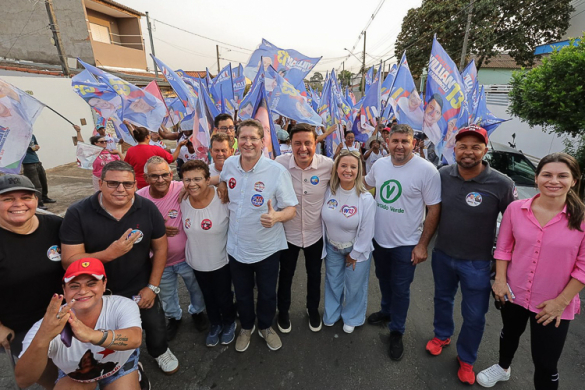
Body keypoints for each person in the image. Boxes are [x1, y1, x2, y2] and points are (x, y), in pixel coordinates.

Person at [476, 152, 585, 389]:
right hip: (513, 292)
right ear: (536, 178)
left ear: (574, 180)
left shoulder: (582, 219)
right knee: (509, 334)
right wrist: (500, 281)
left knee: (546, 363)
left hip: (553, 302)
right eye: (547, 174)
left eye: (562, 176)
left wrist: (561, 302)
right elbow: (503, 249)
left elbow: (583, 267)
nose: (553, 181)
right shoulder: (516, 209)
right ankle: (503, 368)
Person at [60, 160, 179, 375]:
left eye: (127, 184)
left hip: (139, 285)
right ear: (100, 183)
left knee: (154, 324)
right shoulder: (78, 212)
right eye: (113, 183)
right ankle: (123, 362)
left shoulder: (147, 207)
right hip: (97, 292)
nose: (121, 189)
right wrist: (109, 254)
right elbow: (70, 260)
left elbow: (161, 249)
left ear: (135, 184)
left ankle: (160, 351)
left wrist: (153, 287)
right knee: (105, 334)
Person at [425, 125, 516, 385]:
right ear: (454, 149)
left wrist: (502, 263)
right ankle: (442, 335)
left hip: (478, 263)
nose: (468, 151)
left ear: (485, 150)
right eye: (463, 146)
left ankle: (466, 358)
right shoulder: (442, 175)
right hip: (443, 254)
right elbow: (432, 211)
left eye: (475, 146)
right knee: (442, 299)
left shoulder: (502, 183)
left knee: (475, 315)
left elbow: (513, 225)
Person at [218, 119, 298, 352]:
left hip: (266, 249)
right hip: (236, 247)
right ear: (237, 140)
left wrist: (276, 218)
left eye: (254, 138)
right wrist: (222, 184)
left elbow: (291, 208)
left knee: (266, 294)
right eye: (243, 138)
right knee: (242, 294)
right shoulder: (230, 164)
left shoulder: (276, 172)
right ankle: (246, 327)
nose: (248, 143)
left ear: (262, 142)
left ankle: (265, 326)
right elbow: (223, 179)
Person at [364, 124, 441, 361]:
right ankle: (387, 311)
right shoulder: (379, 165)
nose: (399, 146)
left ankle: (397, 330)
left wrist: (422, 245)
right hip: (379, 240)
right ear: (387, 142)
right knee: (383, 280)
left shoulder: (427, 170)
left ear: (413, 143)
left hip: (406, 244)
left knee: (401, 288)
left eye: (404, 141)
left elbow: (434, 209)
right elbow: (365, 188)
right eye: (395, 141)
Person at [15, 258, 143, 389]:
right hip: (76, 376)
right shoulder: (48, 324)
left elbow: (135, 338)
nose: (82, 291)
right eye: (74, 286)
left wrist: (91, 335)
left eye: (91, 283)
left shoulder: (122, 305)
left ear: (104, 284)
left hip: (118, 366)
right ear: (64, 290)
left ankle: (136, 372)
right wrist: (43, 336)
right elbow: (23, 380)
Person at [0, 174, 64, 389]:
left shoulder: (56, 225)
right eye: (7, 199)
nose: (18, 204)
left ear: (36, 200)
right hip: (20, 326)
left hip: (64, 317)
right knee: (50, 376)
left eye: (26, 197)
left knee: (79, 367)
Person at [136, 157, 207, 341]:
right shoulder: (140, 198)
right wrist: (156, 229)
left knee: (196, 289)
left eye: (164, 175)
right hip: (161, 262)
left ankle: (198, 312)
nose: (161, 180)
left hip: (187, 257)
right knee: (167, 294)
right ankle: (174, 318)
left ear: (171, 174)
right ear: (146, 177)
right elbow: (133, 227)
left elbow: (208, 181)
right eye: (154, 176)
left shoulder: (182, 188)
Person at [274, 123, 334, 333]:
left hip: (315, 234)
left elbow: (348, 182)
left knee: (314, 274)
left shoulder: (328, 165)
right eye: (297, 143)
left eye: (308, 143)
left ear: (315, 143)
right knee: (286, 275)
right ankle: (282, 311)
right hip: (287, 234)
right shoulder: (278, 164)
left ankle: (312, 309)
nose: (303, 148)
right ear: (290, 144)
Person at [180, 160, 237, 347]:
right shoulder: (182, 200)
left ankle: (229, 323)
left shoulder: (223, 198)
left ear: (208, 179)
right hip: (197, 262)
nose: (192, 184)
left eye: (197, 179)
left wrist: (221, 182)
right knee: (208, 296)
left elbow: (232, 177)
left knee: (223, 296)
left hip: (221, 261)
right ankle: (215, 324)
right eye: (187, 179)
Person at [322, 150, 375, 333]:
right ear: (336, 168)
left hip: (356, 250)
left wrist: (355, 254)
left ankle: (352, 316)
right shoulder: (328, 191)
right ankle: (332, 313)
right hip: (332, 247)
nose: (348, 170)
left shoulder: (366, 198)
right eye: (343, 165)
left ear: (359, 171)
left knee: (354, 286)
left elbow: (367, 231)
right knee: (332, 282)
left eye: (353, 167)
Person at [22, 128, 81, 209]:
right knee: (36, 184)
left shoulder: (32, 136)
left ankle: (44, 197)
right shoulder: (18, 137)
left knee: (43, 181)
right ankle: (38, 203)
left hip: (36, 160)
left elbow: (36, 146)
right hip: (27, 162)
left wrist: (36, 147)